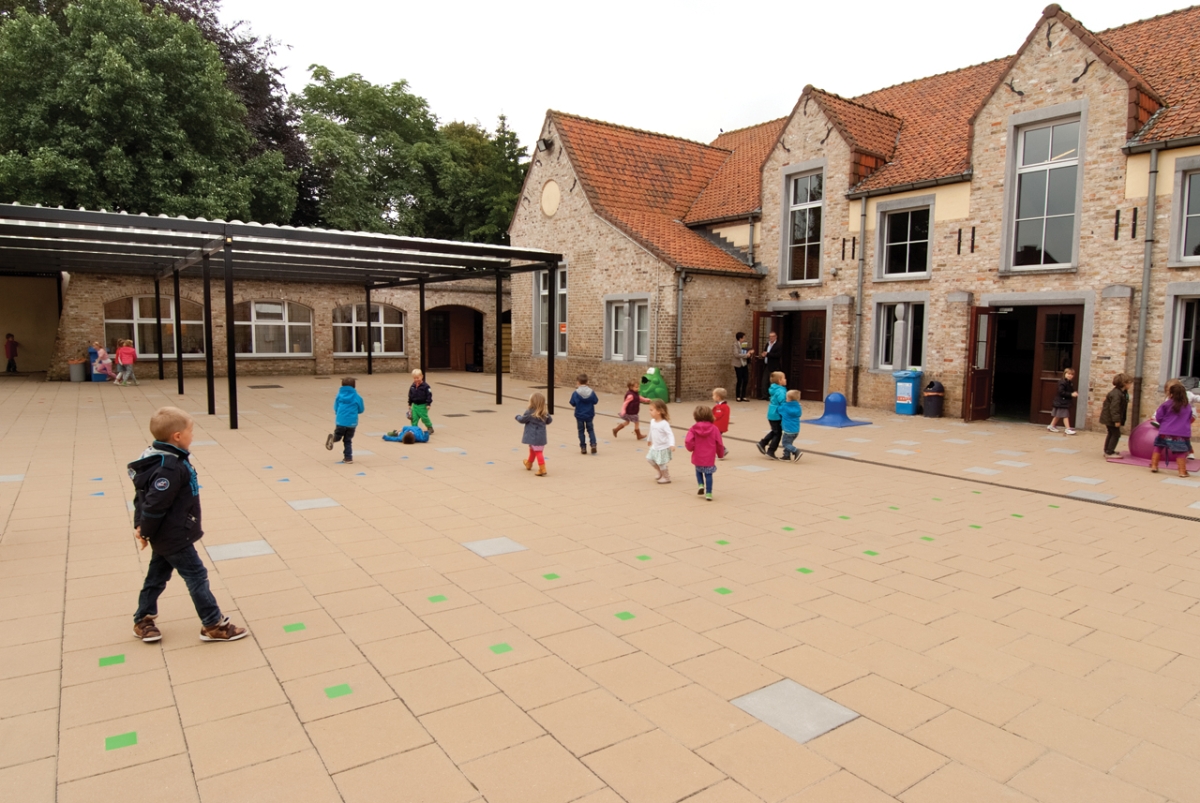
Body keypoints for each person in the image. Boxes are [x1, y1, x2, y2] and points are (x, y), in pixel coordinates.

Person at [128, 406, 246, 643]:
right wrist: (143, 529)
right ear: (177, 436)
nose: (193, 435)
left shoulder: (160, 456)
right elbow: (152, 503)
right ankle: (213, 624)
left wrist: (143, 527)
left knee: (157, 575)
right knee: (196, 575)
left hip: (168, 532)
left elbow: (143, 495)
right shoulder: (169, 467)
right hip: (174, 533)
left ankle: (143, 618)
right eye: (191, 431)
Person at [1151, 382, 1196, 477]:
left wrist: (1163, 424)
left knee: (1158, 447)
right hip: (1180, 434)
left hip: (1165, 431)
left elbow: (1159, 416)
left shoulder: (1166, 404)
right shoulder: (1187, 406)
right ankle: (1182, 471)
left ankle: (1154, 466)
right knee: (1180, 452)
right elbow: (1189, 418)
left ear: (1171, 394)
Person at [685, 405, 726, 501]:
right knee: (708, 474)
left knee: (698, 470)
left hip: (698, 455)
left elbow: (688, 441)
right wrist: (720, 454)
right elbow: (719, 443)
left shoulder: (693, 428)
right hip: (709, 457)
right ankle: (709, 493)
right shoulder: (714, 429)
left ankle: (700, 484)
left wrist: (691, 448)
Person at [325, 377, 364, 464]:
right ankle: (348, 458)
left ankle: (334, 438)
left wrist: (338, 413)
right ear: (354, 386)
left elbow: (336, 407)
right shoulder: (357, 397)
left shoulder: (339, 395)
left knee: (338, 435)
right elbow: (361, 409)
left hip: (341, 421)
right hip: (352, 422)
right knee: (348, 440)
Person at [517, 392, 552, 476]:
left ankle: (542, 468)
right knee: (533, 449)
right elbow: (549, 421)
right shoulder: (544, 413)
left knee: (538, 452)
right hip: (541, 436)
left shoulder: (529, 412)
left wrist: (517, 416)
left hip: (533, 436)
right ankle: (529, 463)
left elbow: (522, 420)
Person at [1099, 373, 1132, 456]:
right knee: (1116, 434)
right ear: (1125, 383)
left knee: (1111, 433)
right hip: (1111, 418)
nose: (1131, 385)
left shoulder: (1122, 392)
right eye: (1130, 383)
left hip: (1110, 417)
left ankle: (1107, 450)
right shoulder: (1116, 394)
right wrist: (1117, 420)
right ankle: (1109, 452)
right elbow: (1114, 408)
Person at [757, 371, 787, 459]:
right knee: (778, 433)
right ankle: (771, 451)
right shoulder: (781, 391)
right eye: (784, 378)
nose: (786, 380)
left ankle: (762, 443)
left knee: (775, 431)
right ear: (780, 380)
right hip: (777, 414)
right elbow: (783, 402)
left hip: (772, 413)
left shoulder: (774, 389)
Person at [645, 399, 675, 484]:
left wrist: (671, 444)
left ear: (659, 411)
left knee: (661, 463)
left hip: (663, 447)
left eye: (651, 410)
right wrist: (649, 439)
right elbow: (651, 431)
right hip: (655, 446)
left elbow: (670, 434)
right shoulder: (652, 421)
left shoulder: (664, 423)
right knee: (649, 459)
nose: (649, 412)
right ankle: (660, 472)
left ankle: (666, 477)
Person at [569, 373, 599, 454]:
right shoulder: (591, 392)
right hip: (589, 414)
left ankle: (583, 447)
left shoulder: (575, 393)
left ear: (578, 382)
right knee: (591, 430)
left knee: (581, 431)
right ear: (587, 382)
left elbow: (572, 403)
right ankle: (593, 444)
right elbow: (595, 401)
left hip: (579, 415)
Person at [1047, 367, 1078, 435]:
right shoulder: (1062, 382)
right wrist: (1071, 394)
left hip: (1062, 401)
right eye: (1068, 374)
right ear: (1065, 374)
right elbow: (1061, 392)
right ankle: (1068, 428)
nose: (1070, 375)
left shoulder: (1069, 382)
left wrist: (1073, 393)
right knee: (1065, 415)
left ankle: (1051, 426)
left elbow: (1069, 390)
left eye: (1072, 374)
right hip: (1061, 401)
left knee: (1058, 415)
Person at [780, 389, 804, 462]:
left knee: (785, 443)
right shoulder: (798, 407)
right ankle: (786, 456)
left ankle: (796, 451)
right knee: (789, 442)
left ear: (789, 399)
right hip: (795, 430)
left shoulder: (785, 407)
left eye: (786, 398)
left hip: (788, 430)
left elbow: (779, 410)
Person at [408, 369, 434, 435]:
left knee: (424, 417)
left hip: (423, 405)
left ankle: (429, 427)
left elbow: (429, 395)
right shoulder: (412, 386)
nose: (416, 379)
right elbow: (410, 395)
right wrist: (410, 403)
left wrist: (428, 403)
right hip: (415, 405)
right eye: (414, 378)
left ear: (422, 376)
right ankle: (414, 428)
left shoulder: (425, 386)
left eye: (417, 378)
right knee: (414, 418)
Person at [759, 330, 783, 397]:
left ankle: (771, 396)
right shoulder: (767, 344)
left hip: (774, 366)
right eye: (770, 337)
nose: (771, 338)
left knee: (772, 381)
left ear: (776, 337)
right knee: (764, 380)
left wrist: (768, 354)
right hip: (767, 365)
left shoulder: (779, 345)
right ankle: (764, 395)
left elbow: (778, 355)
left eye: (772, 336)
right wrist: (763, 354)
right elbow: (765, 352)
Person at [711, 387, 730, 460]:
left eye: (713, 395)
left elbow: (716, 416)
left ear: (718, 397)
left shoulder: (720, 407)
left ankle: (722, 451)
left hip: (718, 426)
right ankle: (722, 450)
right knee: (716, 439)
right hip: (719, 426)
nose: (712, 397)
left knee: (715, 439)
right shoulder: (723, 406)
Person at [732, 332, 750, 401]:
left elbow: (744, 352)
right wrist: (746, 355)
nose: (744, 339)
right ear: (740, 338)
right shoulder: (735, 345)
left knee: (745, 379)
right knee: (739, 380)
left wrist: (749, 353)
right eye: (744, 337)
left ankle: (743, 395)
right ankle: (738, 396)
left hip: (744, 363)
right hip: (738, 364)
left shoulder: (744, 344)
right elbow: (736, 354)